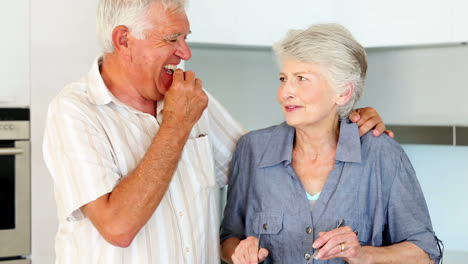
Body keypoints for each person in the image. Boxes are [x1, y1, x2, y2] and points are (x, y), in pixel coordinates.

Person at [43, 0, 389, 263]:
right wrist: (177, 124)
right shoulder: (75, 110)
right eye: (172, 38)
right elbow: (117, 227)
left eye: (185, 37)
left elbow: (263, 161)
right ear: (124, 40)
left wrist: (342, 118)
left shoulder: (192, 99)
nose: (185, 52)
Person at [220, 24, 441, 264]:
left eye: (301, 79)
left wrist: (364, 255)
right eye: (283, 79)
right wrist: (239, 252)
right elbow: (229, 238)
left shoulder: (382, 154)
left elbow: (425, 252)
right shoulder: (252, 149)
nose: (285, 92)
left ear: (343, 93)